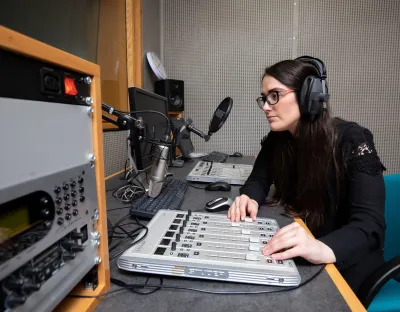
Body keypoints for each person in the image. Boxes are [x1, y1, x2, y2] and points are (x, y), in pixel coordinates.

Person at [227, 56, 386, 295]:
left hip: (347, 260)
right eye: (264, 98)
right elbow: (259, 179)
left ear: (308, 95)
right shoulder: (278, 139)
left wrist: (319, 247)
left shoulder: (352, 140)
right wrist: (249, 197)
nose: (266, 106)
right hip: (306, 248)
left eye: (275, 95)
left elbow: (370, 226)